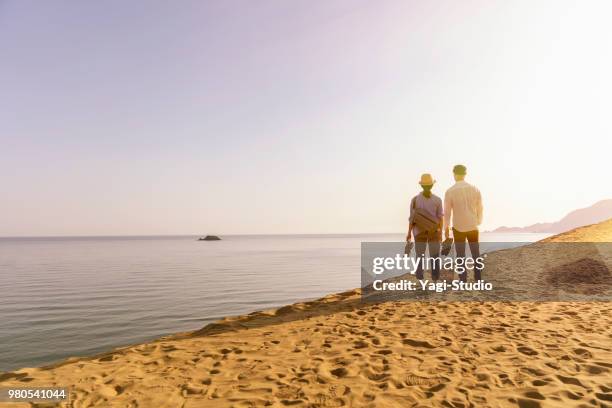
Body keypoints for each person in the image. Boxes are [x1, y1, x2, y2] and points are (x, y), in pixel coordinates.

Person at [443, 164, 483, 282]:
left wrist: (446, 229)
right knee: (476, 253)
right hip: (473, 225)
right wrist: (478, 221)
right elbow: (480, 207)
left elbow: (447, 213)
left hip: (458, 227)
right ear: (465, 174)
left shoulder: (450, 191)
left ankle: (463, 279)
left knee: (460, 255)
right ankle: (478, 278)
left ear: (454, 175)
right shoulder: (475, 188)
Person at [407, 173, 443, 280]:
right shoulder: (437, 200)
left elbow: (411, 219)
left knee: (420, 256)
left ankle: (420, 279)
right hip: (434, 232)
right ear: (432, 185)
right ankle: (435, 279)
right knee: (435, 257)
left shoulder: (414, 200)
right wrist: (441, 233)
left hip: (419, 232)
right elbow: (440, 218)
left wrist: (409, 233)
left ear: (421, 186)